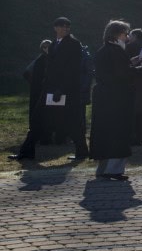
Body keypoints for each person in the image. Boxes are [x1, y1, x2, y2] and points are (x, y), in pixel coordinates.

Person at [9, 17, 89, 161]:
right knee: (37, 119)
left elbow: (73, 70)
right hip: (50, 89)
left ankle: (82, 152)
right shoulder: (53, 45)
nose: (65, 29)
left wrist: (62, 89)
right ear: (55, 28)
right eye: (62, 26)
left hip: (67, 91)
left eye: (67, 27)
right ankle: (27, 151)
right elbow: (50, 69)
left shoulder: (74, 44)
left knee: (73, 122)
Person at [90, 20, 142, 181]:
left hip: (104, 97)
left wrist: (130, 62)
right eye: (125, 34)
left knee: (105, 132)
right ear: (117, 34)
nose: (127, 38)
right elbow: (122, 75)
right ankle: (113, 170)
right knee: (117, 132)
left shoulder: (104, 50)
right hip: (116, 98)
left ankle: (103, 169)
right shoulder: (116, 50)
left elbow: (113, 70)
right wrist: (141, 68)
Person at [22, 40, 52, 133]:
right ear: (42, 48)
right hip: (38, 89)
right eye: (45, 47)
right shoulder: (40, 60)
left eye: (48, 46)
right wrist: (35, 83)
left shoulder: (52, 58)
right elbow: (26, 73)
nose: (47, 49)